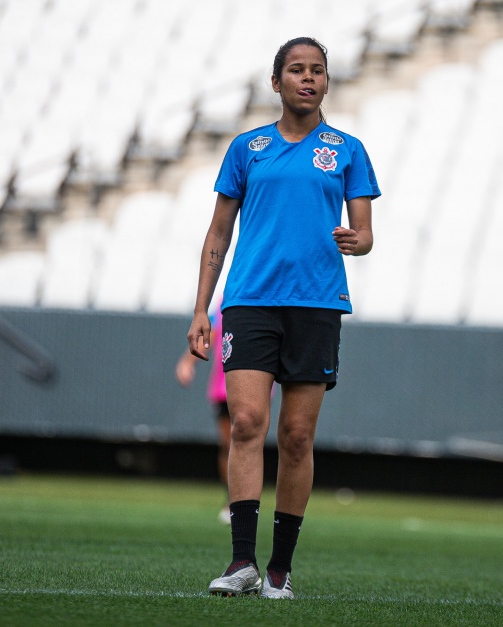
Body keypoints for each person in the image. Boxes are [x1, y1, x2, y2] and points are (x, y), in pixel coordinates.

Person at [186, 36, 380, 600]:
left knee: (297, 436)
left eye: (317, 70)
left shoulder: (347, 149)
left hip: (317, 304)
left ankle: (280, 570)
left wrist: (358, 240)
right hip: (249, 302)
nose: (307, 78)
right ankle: (242, 561)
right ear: (276, 82)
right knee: (247, 422)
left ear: (326, 82)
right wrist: (202, 307)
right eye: (296, 70)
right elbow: (218, 232)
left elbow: (364, 233)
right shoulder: (248, 148)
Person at [175, 297, 232, 525]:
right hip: (223, 386)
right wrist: (187, 363)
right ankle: (232, 501)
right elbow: (210, 333)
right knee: (229, 445)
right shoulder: (224, 304)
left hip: (255, 384)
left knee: (249, 441)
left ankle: (247, 502)